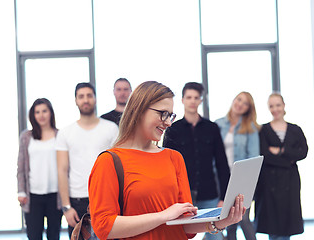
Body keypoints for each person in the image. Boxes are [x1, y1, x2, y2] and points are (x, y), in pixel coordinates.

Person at [88, 81, 246, 240]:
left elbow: (186, 226)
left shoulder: (174, 158)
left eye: (170, 115)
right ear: (139, 110)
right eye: (163, 113)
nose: (169, 122)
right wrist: (162, 216)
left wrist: (220, 222)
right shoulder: (109, 161)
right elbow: (103, 227)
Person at [163, 82, 230, 240]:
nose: (192, 101)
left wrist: (224, 198)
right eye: (189, 97)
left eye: (196, 97)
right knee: (180, 235)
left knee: (215, 236)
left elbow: (222, 163)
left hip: (210, 193)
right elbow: (166, 166)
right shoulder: (172, 129)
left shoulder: (212, 128)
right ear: (182, 100)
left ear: (201, 100)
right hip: (182, 195)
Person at [56, 82, 119, 237]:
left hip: (106, 198)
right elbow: (62, 170)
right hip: (77, 201)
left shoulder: (111, 129)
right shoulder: (65, 133)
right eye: (81, 96)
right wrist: (66, 207)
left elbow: (118, 167)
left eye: (89, 96)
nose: (86, 100)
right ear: (76, 101)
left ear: (95, 99)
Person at [254, 93, 308, 240]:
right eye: (271, 106)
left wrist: (281, 151)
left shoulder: (295, 129)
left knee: (287, 223)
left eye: (278, 105)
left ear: (284, 106)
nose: (275, 109)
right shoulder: (263, 130)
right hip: (270, 182)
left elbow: (303, 152)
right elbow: (265, 156)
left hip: (290, 181)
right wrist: (289, 159)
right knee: (273, 223)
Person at [215, 91, 260, 240]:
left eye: (245, 103)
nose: (240, 104)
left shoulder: (251, 128)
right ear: (234, 100)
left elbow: (253, 157)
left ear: (248, 108)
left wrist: (246, 182)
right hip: (220, 179)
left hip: (241, 180)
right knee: (229, 222)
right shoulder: (218, 124)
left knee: (243, 219)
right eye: (239, 100)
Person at [17, 98, 63, 240]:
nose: (41, 115)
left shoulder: (60, 135)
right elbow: (21, 167)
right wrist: (21, 191)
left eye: (44, 111)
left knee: (54, 235)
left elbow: (66, 167)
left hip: (55, 195)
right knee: (34, 235)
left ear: (50, 113)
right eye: (37, 112)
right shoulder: (26, 137)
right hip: (33, 195)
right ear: (33, 115)